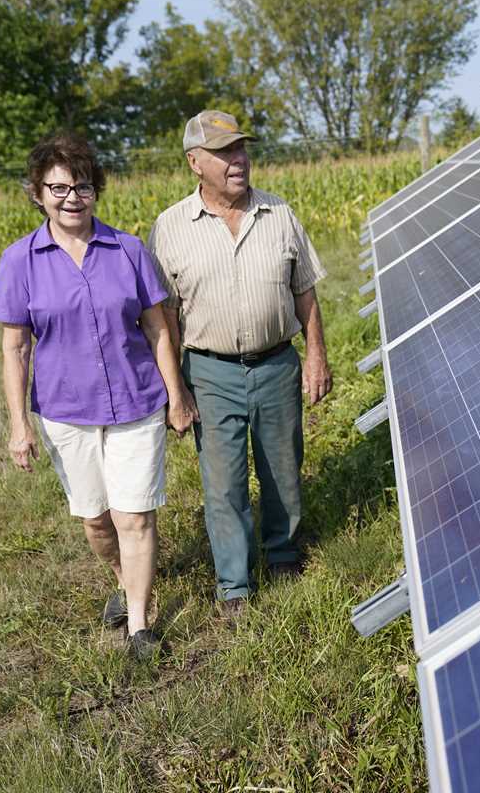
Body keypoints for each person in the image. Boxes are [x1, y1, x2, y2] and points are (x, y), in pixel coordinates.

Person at [0, 132, 199, 660]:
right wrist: (19, 425)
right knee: (97, 519)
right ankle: (125, 582)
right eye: (57, 188)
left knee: (136, 516)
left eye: (82, 186)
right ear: (37, 193)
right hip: (66, 411)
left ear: (95, 190)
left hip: (136, 400)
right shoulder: (20, 262)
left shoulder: (127, 249)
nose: (71, 198)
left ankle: (140, 627)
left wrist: (176, 395)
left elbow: (157, 329)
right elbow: (15, 349)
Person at [148, 110, 332, 617]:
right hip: (210, 372)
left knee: (283, 471)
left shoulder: (279, 215)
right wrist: (175, 391)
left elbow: (306, 292)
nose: (238, 160)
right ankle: (234, 585)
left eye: (241, 150)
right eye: (224, 152)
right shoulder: (170, 228)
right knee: (223, 482)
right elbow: (164, 315)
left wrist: (315, 354)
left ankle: (283, 556)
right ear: (194, 163)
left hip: (277, 364)